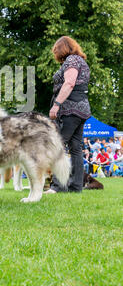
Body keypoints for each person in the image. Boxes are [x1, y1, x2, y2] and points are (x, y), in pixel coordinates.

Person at [46, 36, 91, 193]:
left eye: (56, 49)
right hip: (82, 109)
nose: (55, 52)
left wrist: (56, 105)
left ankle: (58, 186)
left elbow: (69, 83)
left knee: (58, 144)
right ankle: (76, 186)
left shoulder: (71, 60)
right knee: (76, 148)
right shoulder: (80, 61)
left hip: (70, 109)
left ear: (63, 47)